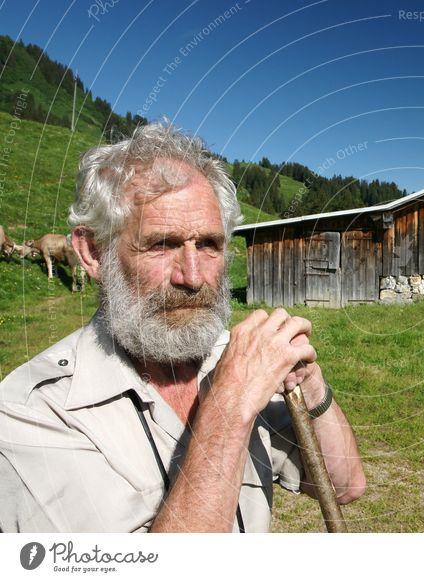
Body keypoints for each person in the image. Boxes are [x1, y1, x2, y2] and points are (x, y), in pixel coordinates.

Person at [0, 123, 365, 532]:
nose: (193, 276)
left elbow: (344, 483)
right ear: (92, 252)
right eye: (160, 244)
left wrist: (310, 385)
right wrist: (228, 407)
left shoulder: (228, 361)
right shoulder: (31, 413)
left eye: (209, 244)